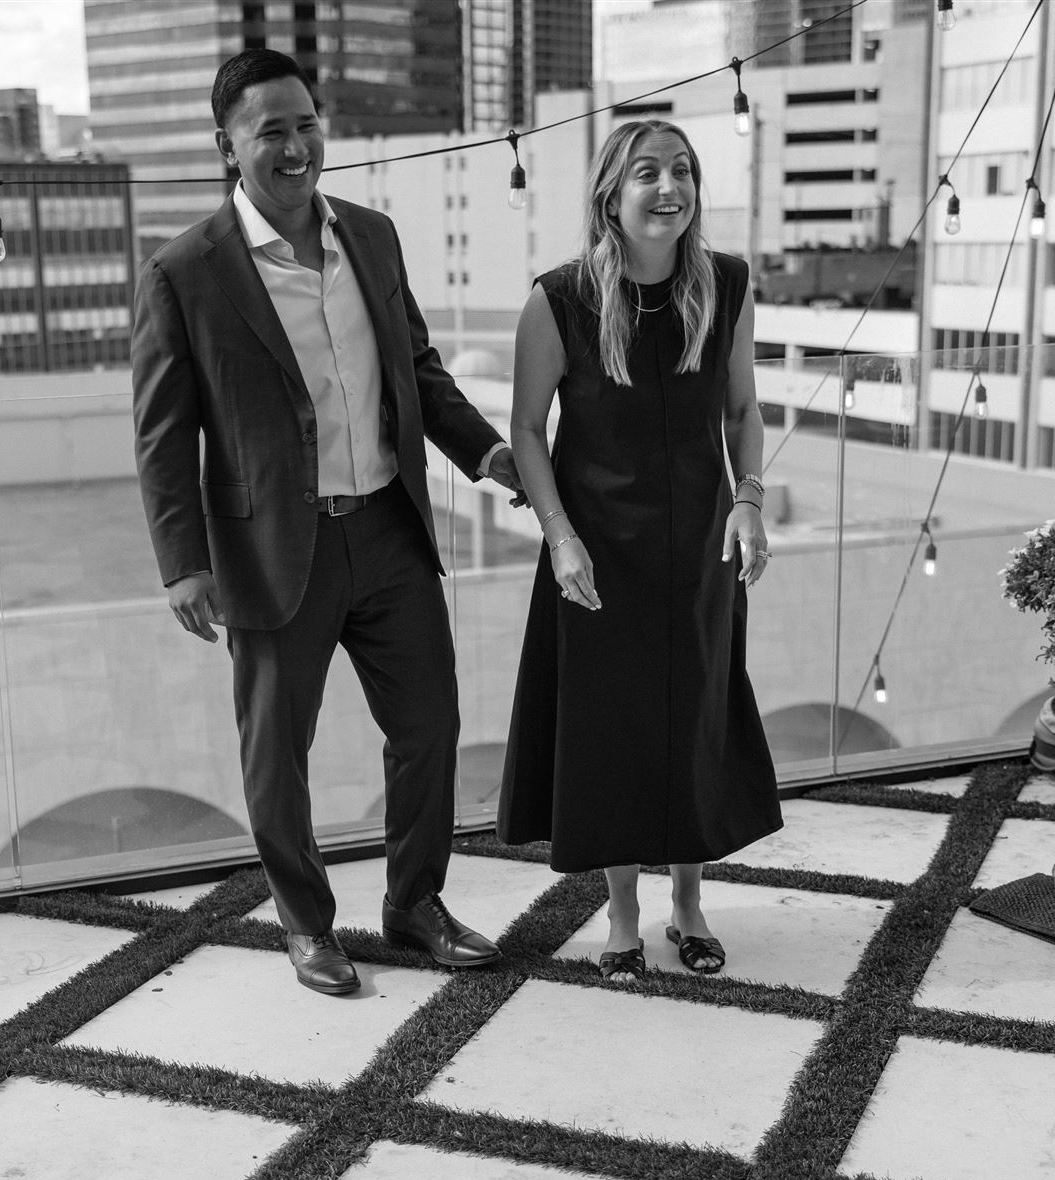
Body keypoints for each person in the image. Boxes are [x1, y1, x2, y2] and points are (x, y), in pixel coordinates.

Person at [132, 49, 523, 996]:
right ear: (226, 144)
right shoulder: (186, 271)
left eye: (307, 123)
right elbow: (160, 431)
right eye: (271, 129)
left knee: (429, 724)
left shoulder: (374, 239)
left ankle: (415, 903)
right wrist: (183, 563)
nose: (297, 144)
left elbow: (419, 371)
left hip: (387, 529)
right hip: (271, 551)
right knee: (278, 753)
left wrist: (488, 454)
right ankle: (307, 924)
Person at [496, 119, 783, 980]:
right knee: (616, 732)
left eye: (683, 171)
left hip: (700, 550)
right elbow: (526, 429)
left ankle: (688, 904)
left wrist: (749, 504)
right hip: (597, 557)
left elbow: (742, 411)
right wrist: (558, 536)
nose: (670, 187)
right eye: (649, 174)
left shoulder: (726, 285)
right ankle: (621, 916)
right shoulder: (558, 299)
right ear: (610, 198)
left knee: (694, 723)